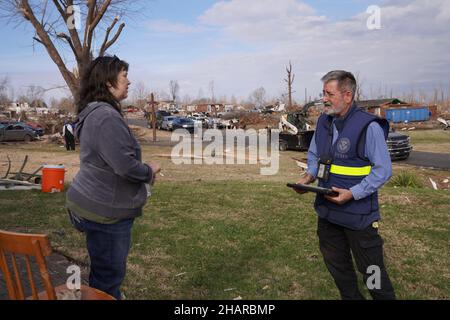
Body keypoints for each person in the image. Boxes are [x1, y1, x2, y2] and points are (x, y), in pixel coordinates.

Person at [66, 55, 161, 300]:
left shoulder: (94, 112)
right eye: (124, 76)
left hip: (85, 201)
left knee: (101, 268)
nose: (129, 82)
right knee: (108, 278)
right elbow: (125, 166)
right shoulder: (106, 117)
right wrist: (149, 171)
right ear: (108, 82)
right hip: (104, 212)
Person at [296, 70, 396, 300]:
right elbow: (314, 157)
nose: (324, 99)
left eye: (329, 94)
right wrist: (308, 178)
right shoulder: (323, 122)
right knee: (339, 271)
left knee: (373, 275)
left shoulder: (368, 126)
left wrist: (353, 193)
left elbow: (384, 170)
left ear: (348, 95)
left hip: (358, 217)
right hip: (328, 214)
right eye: (323, 93)